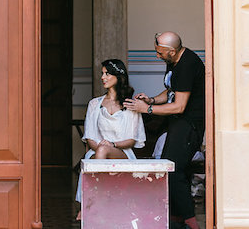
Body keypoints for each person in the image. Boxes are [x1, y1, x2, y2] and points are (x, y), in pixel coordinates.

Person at [123, 31, 205, 229]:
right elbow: (171, 90)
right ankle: (177, 220)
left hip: (190, 124)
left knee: (175, 170)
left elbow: (179, 106)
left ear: (172, 51)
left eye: (160, 53)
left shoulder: (187, 65)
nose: (157, 56)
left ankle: (190, 222)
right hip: (177, 123)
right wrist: (151, 99)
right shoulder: (173, 61)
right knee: (170, 168)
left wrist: (147, 109)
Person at [76, 58, 146, 219]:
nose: (103, 77)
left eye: (107, 74)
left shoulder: (130, 104)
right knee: (99, 151)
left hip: (122, 152)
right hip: (97, 152)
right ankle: (100, 201)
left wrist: (111, 144)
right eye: (102, 74)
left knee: (103, 149)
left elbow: (132, 140)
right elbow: (90, 138)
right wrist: (102, 147)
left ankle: (93, 203)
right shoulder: (95, 104)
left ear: (118, 76)